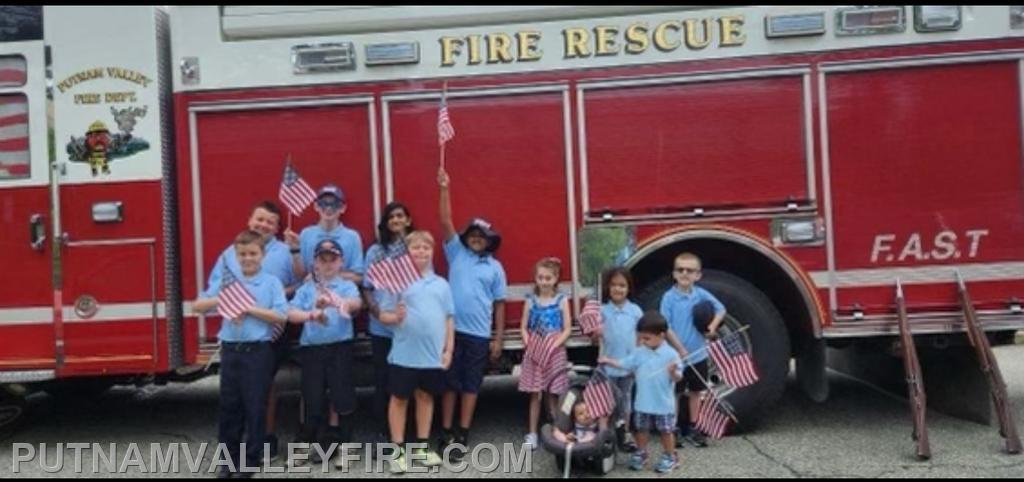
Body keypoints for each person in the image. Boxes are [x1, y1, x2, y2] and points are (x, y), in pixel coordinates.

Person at [201, 201, 295, 461]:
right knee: (230, 404)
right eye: (259, 219)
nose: (263, 224)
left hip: (267, 334)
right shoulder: (228, 254)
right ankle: (230, 455)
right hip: (234, 340)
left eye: (269, 222)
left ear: (276, 228)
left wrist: (253, 303)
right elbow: (207, 297)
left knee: (260, 395)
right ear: (250, 220)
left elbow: (294, 285)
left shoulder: (284, 253)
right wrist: (230, 299)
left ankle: (259, 446)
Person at [437, 167, 508, 456]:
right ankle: (446, 430)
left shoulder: (495, 267)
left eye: (483, 236)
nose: (477, 238)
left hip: (479, 336)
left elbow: (500, 304)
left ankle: (463, 432)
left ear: (490, 241)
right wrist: (444, 187)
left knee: (470, 385)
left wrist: (499, 339)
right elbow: (445, 220)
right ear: (466, 238)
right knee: (449, 384)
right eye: (473, 234)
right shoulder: (456, 253)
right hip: (452, 333)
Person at [378, 230, 454, 473]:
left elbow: (448, 319)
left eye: (426, 248)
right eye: (415, 248)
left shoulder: (441, 284)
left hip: (431, 355)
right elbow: (383, 315)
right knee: (399, 399)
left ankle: (422, 447)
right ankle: (397, 450)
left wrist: (448, 350)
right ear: (407, 254)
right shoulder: (397, 282)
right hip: (404, 354)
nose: (421, 252)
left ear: (432, 252)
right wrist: (394, 316)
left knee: (425, 397)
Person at [285, 239, 362, 468]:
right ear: (315, 263)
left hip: (340, 347)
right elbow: (290, 312)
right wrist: (311, 314)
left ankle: (346, 447)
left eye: (333, 259)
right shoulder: (306, 289)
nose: (328, 264)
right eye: (323, 259)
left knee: (343, 397)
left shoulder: (346, 287)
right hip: (312, 349)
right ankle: (305, 444)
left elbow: (356, 303)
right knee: (312, 398)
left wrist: (334, 301)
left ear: (341, 262)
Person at [599, 311, 683, 473]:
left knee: (666, 431)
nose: (643, 341)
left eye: (647, 338)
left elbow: (678, 378)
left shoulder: (671, 355)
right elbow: (626, 363)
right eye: (641, 337)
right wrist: (609, 361)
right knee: (641, 429)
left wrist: (673, 372)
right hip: (643, 402)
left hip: (663, 403)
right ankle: (641, 452)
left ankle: (670, 456)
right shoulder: (640, 352)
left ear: (661, 335)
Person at [659, 252, 726, 448]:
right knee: (676, 392)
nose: (685, 273)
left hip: (699, 354)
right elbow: (665, 325)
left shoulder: (700, 294)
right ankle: (675, 427)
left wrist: (712, 328)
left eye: (690, 270)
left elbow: (721, 309)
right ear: (674, 273)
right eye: (680, 269)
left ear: (698, 275)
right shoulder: (669, 297)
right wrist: (678, 347)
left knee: (697, 391)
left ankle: (695, 426)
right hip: (675, 356)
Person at [362, 202, 415, 444]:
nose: (395, 220)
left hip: (409, 327)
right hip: (382, 328)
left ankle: (408, 431)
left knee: (408, 379)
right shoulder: (375, 251)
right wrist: (376, 312)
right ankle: (383, 430)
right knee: (383, 379)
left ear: (408, 220)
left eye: (400, 215)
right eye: (391, 216)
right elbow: (367, 289)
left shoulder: (417, 249)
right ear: (385, 222)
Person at [518, 257, 572, 450]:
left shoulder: (562, 300)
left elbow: (567, 328)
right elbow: (523, 327)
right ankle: (532, 433)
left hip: (555, 351)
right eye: (540, 277)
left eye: (548, 278)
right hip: (535, 350)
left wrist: (553, 345)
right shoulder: (530, 300)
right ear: (536, 279)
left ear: (556, 279)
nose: (544, 281)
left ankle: (557, 428)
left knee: (554, 392)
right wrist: (529, 344)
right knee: (535, 392)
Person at [592, 267, 642, 452]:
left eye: (622, 285)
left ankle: (625, 431)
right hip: (607, 364)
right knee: (605, 399)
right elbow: (594, 339)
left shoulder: (635, 311)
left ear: (628, 288)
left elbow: (640, 337)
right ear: (607, 287)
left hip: (627, 365)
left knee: (625, 399)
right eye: (613, 285)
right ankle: (604, 434)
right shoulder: (602, 311)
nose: (617, 289)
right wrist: (596, 333)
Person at [285, 183, 365, 284]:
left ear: (343, 208)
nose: (329, 208)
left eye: (334, 204)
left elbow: (358, 277)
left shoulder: (352, 237)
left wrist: (325, 275)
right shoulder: (306, 234)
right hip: (312, 292)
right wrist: (295, 250)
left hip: (342, 293)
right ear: (316, 206)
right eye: (323, 203)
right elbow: (300, 275)